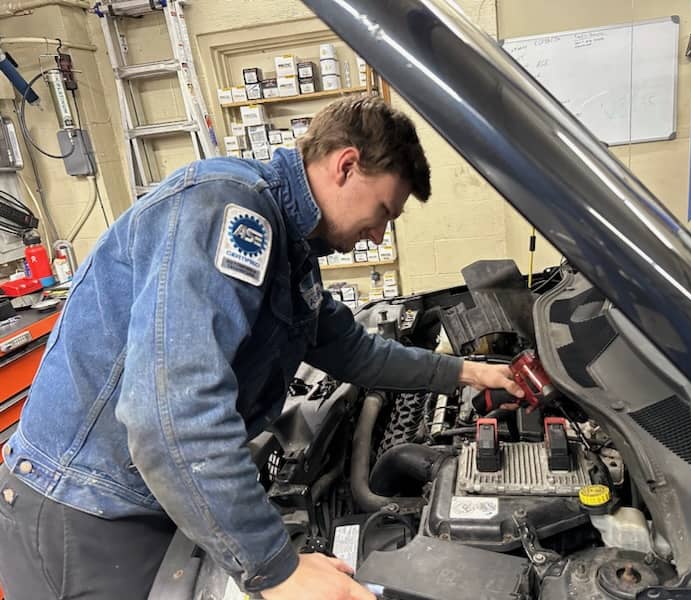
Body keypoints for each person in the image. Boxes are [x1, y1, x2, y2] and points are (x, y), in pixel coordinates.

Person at [0, 95, 523, 600]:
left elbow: (354, 352)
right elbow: (174, 415)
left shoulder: (290, 246)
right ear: (346, 165)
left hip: (146, 496)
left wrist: (468, 374)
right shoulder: (229, 209)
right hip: (86, 510)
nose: (378, 235)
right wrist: (277, 568)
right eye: (384, 210)